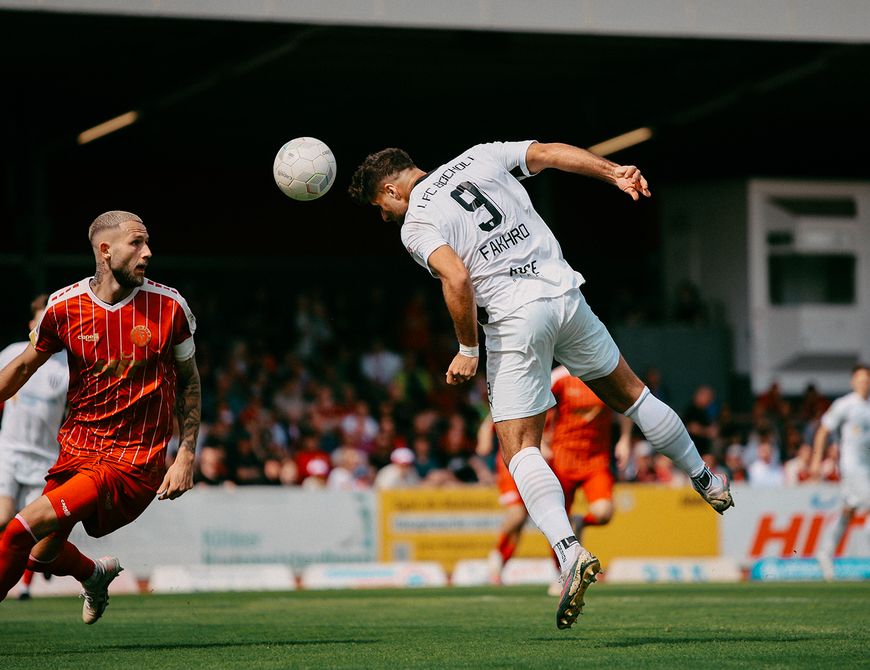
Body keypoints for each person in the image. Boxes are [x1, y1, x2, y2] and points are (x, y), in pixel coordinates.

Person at [349, 140, 733, 629]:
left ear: (390, 187)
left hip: (514, 319)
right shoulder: (479, 155)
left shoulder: (417, 222)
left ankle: (569, 551)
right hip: (565, 295)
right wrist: (614, 172)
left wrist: (468, 349)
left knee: (519, 447)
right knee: (634, 396)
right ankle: (705, 477)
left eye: (382, 208)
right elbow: (550, 152)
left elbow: (458, 278)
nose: (386, 218)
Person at [0, 210, 201, 624]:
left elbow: (190, 383)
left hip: (132, 459)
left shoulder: (169, 306)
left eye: (147, 243)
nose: (147, 253)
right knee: (41, 555)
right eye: (136, 243)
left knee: (19, 530)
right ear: (105, 251)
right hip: (78, 449)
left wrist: (185, 456)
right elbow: (22, 367)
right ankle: (95, 574)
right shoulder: (64, 307)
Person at [0, 294, 69, 600]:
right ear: (31, 324)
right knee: (3, 517)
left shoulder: (66, 365)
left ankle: (26, 586)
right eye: (41, 319)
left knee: (32, 529)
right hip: (10, 450)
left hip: (44, 458)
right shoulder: (12, 354)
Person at [810, 364, 870, 581]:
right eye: (860, 379)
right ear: (853, 382)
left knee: (848, 511)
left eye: (867, 379)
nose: (864, 383)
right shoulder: (845, 405)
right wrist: (817, 459)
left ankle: (825, 553)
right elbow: (824, 430)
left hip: (868, 466)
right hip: (853, 467)